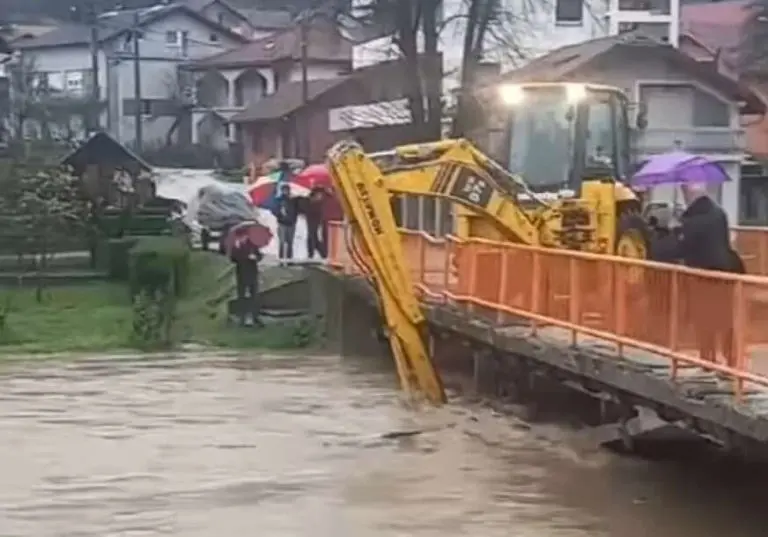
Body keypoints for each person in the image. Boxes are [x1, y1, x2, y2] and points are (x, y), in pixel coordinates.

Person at [665, 183, 745, 366]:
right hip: (726, 274)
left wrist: (674, 230)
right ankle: (732, 362)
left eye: (684, 193)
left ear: (688, 195)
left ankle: (708, 361)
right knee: (726, 320)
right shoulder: (719, 213)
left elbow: (681, 248)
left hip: (702, 276)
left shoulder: (692, 221)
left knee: (704, 322)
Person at [229, 227, 263, 327]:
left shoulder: (252, 245)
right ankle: (242, 318)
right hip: (241, 273)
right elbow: (232, 258)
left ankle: (255, 316)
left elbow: (259, 256)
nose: (243, 238)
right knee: (242, 296)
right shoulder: (236, 246)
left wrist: (256, 257)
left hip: (252, 273)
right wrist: (243, 255)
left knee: (254, 296)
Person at [272, 182, 298, 264]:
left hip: (291, 223)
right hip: (282, 223)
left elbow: (297, 210)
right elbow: (274, 210)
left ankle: (290, 260)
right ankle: (281, 260)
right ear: (282, 191)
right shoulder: (279, 200)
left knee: (290, 242)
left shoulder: (293, 200)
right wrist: (279, 214)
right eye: (284, 190)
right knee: (282, 242)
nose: (285, 191)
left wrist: (294, 218)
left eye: (287, 190)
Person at [306, 180, 329, 259]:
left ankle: (321, 253)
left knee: (314, 236)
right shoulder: (311, 196)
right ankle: (314, 253)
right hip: (312, 218)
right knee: (312, 236)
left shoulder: (323, 194)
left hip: (318, 218)